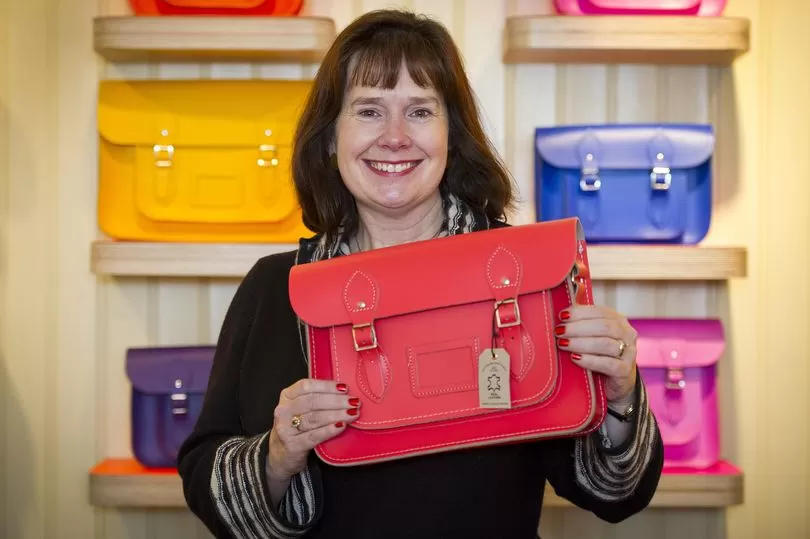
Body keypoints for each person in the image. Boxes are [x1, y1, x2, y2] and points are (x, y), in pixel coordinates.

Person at [177, 8, 664, 539]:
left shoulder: (527, 277)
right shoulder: (276, 288)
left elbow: (615, 495)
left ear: (451, 135)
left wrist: (619, 395)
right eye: (368, 111)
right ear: (330, 138)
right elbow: (208, 485)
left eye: (419, 112)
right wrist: (276, 456)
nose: (394, 137)